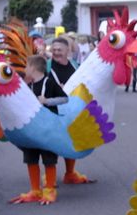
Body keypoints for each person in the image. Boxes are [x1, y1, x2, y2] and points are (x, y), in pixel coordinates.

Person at [44, 37, 93, 184]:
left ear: (67, 51)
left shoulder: (74, 65)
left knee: (70, 141)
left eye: (59, 50)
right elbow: (39, 85)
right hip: (53, 110)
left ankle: (70, 173)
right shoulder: (47, 66)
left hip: (72, 111)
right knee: (51, 145)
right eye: (54, 50)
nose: (56, 52)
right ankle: (49, 177)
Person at [14, 55, 63, 205]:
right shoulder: (28, 85)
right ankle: (35, 190)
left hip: (48, 129)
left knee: (49, 159)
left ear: (33, 68)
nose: (25, 69)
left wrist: (47, 101)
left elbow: (64, 98)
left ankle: (49, 191)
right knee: (31, 158)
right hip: (31, 130)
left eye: (26, 66)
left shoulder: (49, 82)